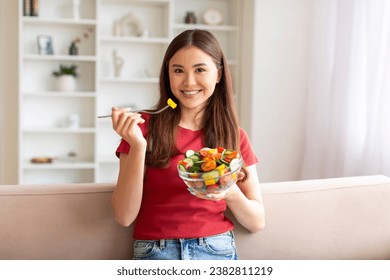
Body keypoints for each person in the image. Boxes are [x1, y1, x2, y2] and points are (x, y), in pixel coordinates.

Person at [111, 29, 265, 260]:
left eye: (200, 69)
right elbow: (124, 216)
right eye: (178, 71)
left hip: (216, 248)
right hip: (156, 251)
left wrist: (229, 192)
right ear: (168, 75)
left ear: (219, 74)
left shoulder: (235, 136)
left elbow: (257, 221)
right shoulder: (141, 129)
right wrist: (138, 147)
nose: (189, 82)